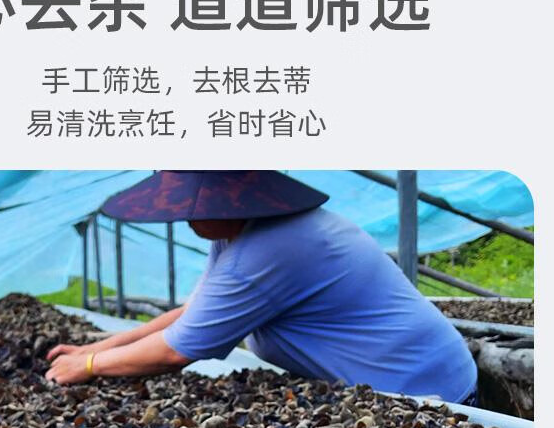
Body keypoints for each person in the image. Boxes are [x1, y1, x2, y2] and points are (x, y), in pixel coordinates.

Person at [45, 170, 477, 404]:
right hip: (414, 377)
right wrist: (96, 348)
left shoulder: (264, 252)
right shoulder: (242, 236)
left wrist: (90, 367)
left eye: (195, 207)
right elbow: (192, 314)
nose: (186, 218)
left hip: (424, 394)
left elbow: (177, 350)